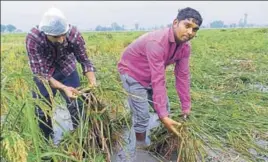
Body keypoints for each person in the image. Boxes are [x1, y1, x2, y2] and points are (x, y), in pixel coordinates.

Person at [117, 7, 202, 156]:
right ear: (175, 23)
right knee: (142, 116)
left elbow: (182, 76)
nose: (190, 32)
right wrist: (162, 116)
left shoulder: (185, 48)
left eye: (194, 29)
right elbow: (158, 79)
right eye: (187, 26)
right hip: (132, 73)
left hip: (151, 73)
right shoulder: (157, 42)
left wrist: (186, 107)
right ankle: (141, 150)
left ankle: (163, 141)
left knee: (166, 108)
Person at [25, 7, 97, 143]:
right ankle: (47, 141)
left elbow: (85, 61)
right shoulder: (33, 38)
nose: (61, 39)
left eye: (63, 34)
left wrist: (92, 83)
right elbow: (42, 75)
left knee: (76, 105)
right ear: (45, 33)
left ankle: (81, 137)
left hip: (67, 69)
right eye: (55, 36)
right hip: (44, 72)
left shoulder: (73, 34)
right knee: (42, 110)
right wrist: (64, 88)